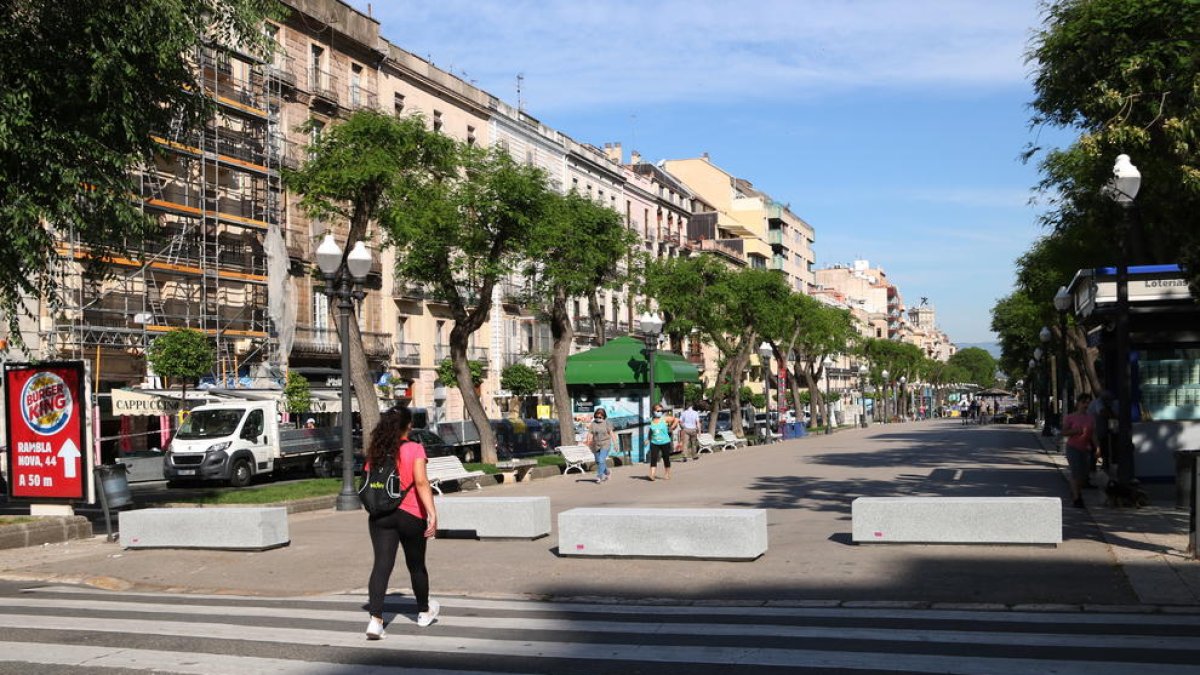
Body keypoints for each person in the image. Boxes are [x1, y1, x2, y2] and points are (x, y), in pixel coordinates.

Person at [364, 406, 439, 640]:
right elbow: (421, 482)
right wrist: (432, 513)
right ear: (408, 426)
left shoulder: (375, 450)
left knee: (382, 565)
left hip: (381, 515)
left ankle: (376, 621)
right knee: (416, 565)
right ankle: (424, 612)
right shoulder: (415, 448)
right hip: (411, 515)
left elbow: (370, 480)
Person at [1061, 392, 1096, 508]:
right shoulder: (1070, 417)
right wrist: (1075, 431)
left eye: (1088, 403)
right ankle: (1077, 498)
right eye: (1083, 402)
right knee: (1076, 473)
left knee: (1083, 475)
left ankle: (1075, 490)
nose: (1085, 405)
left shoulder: (1090, 418)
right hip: (1073, 448)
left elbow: (1093, 435)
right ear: (1078, 403)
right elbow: (1064, 432)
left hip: (1085, 448)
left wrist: (1098, 447)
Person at [644, 404, 677, 481]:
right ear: (653, 411)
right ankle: (652, 475)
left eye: (661, 411)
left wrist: (672, 427)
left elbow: (676, 420)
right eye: (658, 411)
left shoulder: (665, 419)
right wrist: (648, 439)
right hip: (654, 442)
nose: (660, 412)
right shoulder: (651, 420)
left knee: (666, 458)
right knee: (653, 458)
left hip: (665, 442)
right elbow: (651, 431)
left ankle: (667, 474)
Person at [584, 407, 615, 483]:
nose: (598, 418)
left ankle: (599, 476)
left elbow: (611, 433)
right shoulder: (593, 424)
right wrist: (588, 441)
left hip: (605, 443)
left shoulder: (607, 423)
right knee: (598, 461)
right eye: (597, 417)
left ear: (603, 416)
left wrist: (615, 444)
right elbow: (590, 434)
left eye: (600, 417)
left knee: (601, 460)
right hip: (596, 444)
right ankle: (607, 472)